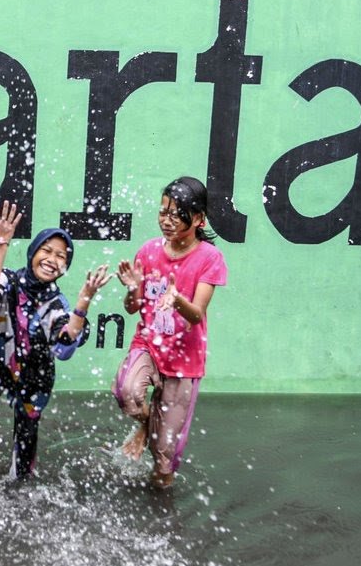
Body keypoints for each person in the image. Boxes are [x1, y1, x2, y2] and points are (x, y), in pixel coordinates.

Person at [0, 201, 112, 479]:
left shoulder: (57, 304)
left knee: (23, 451)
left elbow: (64, 346)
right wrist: (1, 243)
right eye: (46, 250)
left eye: (61, 256)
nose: (52, 259)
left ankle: (18, 495)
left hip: (35, 379)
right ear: (33, 252)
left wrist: (83, 302)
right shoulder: (8, 281)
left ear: (65, 266)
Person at [112, 176, 227, 489]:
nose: (167, 220)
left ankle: (160, 510)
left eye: (177, 214)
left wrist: (177, 300)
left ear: (199, 219)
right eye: (163, 212)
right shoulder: (148, 252)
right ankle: (147, 423)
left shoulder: (209, 258)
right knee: (127, 393)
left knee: (163, 462)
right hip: (148, 345)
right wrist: (134, 287)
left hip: (185, 360)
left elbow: (197, 313)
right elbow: (132, 308)